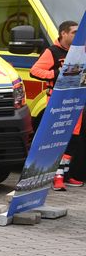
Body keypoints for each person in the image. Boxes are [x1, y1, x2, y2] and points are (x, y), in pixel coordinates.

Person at [31, 20, 84, 189]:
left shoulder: (80, 51)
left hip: (75, 98)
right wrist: (56, 73)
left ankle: (65, 173)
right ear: (64, 33)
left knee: (73, 138)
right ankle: (56, 176)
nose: (78, 35)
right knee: (57, 137)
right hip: (57, 99)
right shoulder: (52, 51)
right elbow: (35, 71)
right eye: (74, 32)